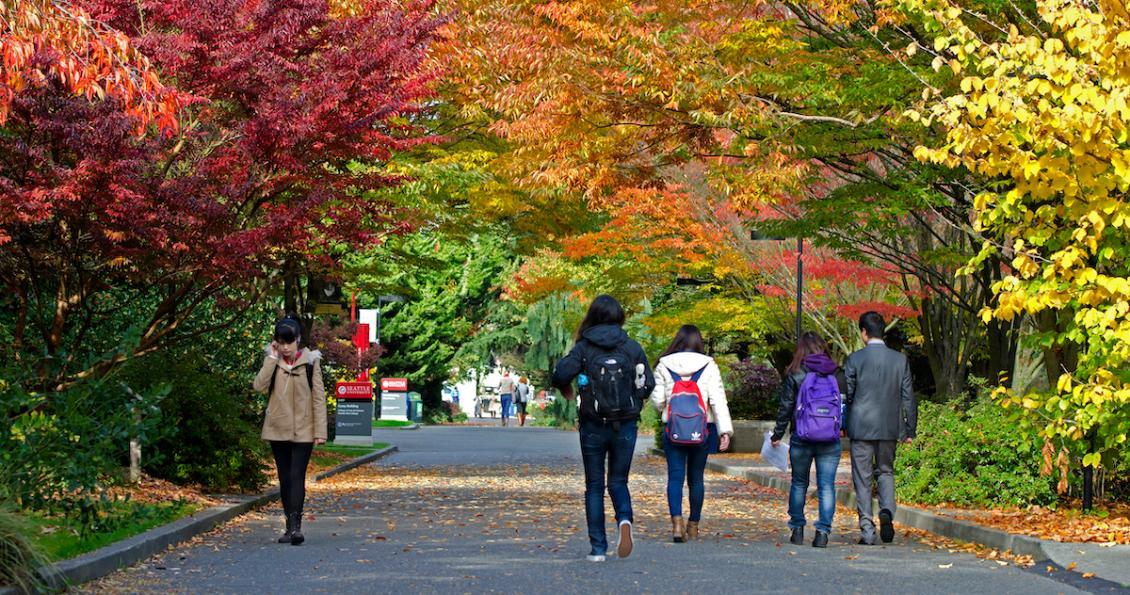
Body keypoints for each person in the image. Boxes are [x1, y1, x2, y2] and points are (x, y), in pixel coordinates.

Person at [552, 295, 655, 562]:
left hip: (593, 424)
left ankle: (598, 548)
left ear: (592, 316)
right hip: (626, 424)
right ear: (620, 317)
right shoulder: (631, 347)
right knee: (619, 481)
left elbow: (560, 375)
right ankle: (624, 520)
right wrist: (636, 401)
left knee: (594, 486)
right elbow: (649, 383)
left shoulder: (584, 347)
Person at [650, 325, 733, 543]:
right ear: (698, 341)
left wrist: (669, 405)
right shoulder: (709, 365)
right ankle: (693, 526)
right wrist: (725, 431)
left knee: (675, 478)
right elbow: (718, 401)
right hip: (701, 430)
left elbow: (658, 402)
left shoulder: (664, 365)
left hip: (674, 430)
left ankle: (676, 525)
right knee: (696, 479)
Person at [844, 311, 917, 545]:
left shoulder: (854, 359)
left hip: (861, 426)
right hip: (889, 426)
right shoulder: (900, 360)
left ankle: (867, 529)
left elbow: (849, 394)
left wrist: (846, 423)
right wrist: (909, 429)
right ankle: (887, 510)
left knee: (862, 479)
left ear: (864, 333)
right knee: (885, 471)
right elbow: (908, 398)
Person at [253, 314, 326, 546]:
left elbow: (318, 398)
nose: (285, 347)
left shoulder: (311, 363)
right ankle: (288, 526)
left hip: (304, 429)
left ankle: (296, 528)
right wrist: (272, 358)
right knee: (285, 478)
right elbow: (259, 387)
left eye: (289, 342)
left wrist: (320, 431)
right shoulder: (274, 362)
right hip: (278, 429)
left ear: (298, 340)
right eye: (281, 342)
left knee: (297, 476)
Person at [771, 332, 845, 548]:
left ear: (801, 350)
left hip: (801, 436)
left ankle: (797, 528)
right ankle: (823, 533)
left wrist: (777, 434)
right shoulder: (835, 373)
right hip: (829, 439)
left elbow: (786, 407)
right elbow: (844, 405)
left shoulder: (795, 373)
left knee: (799, 483)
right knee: (826, 485)